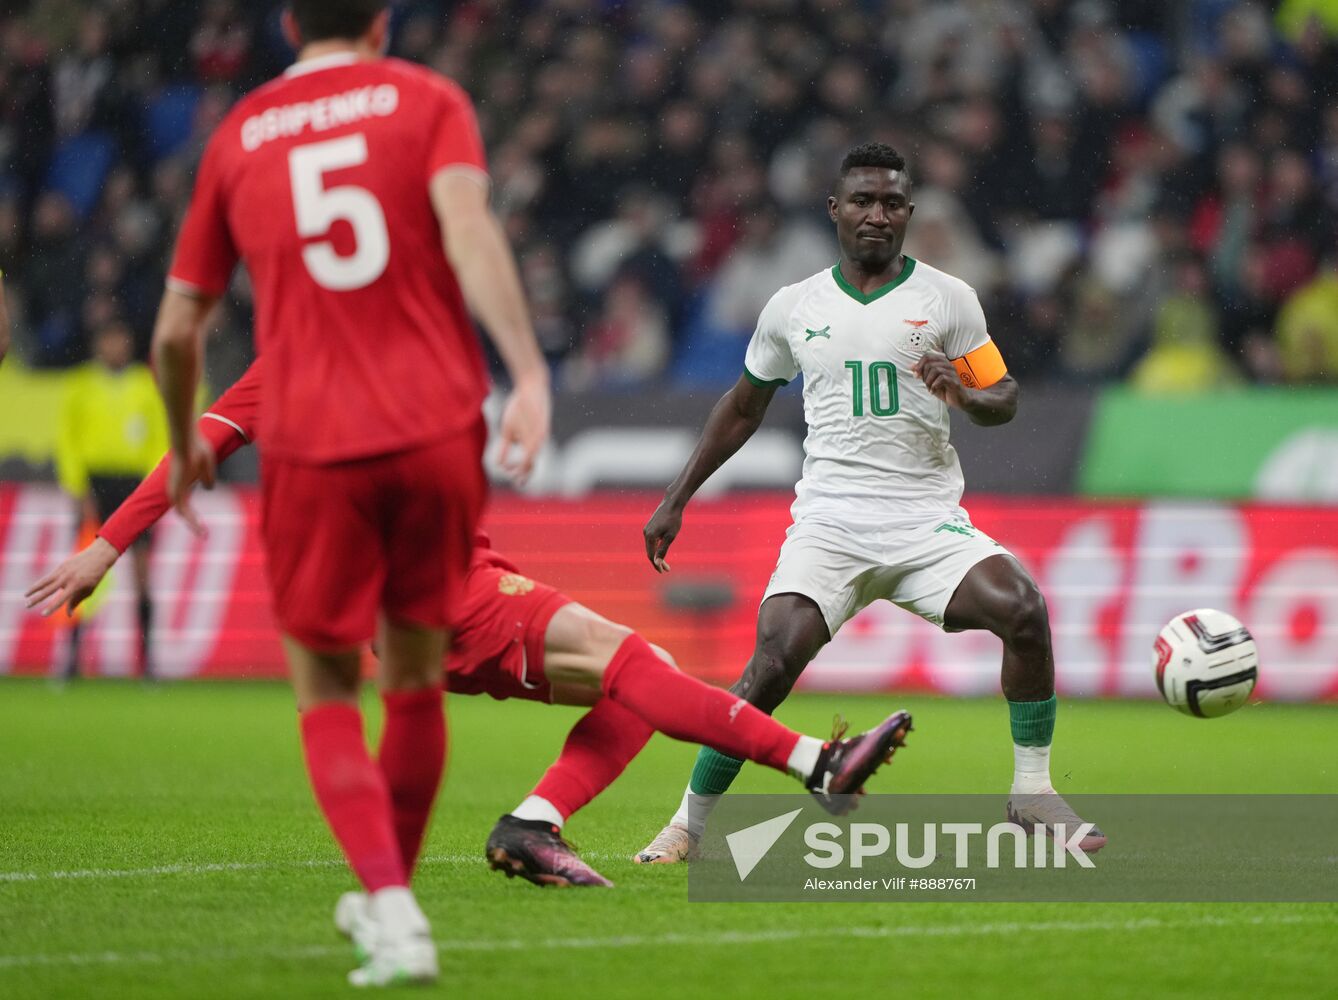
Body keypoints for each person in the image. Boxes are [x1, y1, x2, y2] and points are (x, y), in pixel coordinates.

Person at [25, 359, 914, 910]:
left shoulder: (384, 352)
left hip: (451, 584)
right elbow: (196, 454)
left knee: (642, 683)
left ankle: (534, 822)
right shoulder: (304, 365)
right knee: (637, 665)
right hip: (440, 597)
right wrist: (105, 546)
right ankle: (813, 764)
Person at [147, 2, 551, 985]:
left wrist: (180, 442)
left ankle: (394, 907)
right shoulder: (428, 99)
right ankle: (388, 903)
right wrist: (529, 371)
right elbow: (468, 231)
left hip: (318, 439)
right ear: (380, 21)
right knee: (414, 680)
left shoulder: (239, 133)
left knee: (327, 684)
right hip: (436, 427)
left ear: (288, 25)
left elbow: (174, 331)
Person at [636, 142, 1105, 864]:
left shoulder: (949, 299)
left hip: (927, 524)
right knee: (768, 669)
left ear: (910, 212)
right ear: (835, 210)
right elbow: (742, 407)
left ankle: (1032, 793)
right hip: (830, 524)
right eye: (862, 200)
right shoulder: (794, 307)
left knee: (1023, 608)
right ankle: (687, 828)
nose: (876, 214)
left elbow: (1003, 396)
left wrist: (966, 392)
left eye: (891, 202)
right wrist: (676, 499)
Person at [54, 320, 167, 680]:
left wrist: (151, 488)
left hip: (133, 485)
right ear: (100, 343)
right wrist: (78, 488)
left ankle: (147, 662)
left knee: (143, 573)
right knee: (85, 569)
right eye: (109, 339)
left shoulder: (145, 385)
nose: (115, 346)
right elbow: (68, 442)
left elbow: (158, 441)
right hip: (95, 484)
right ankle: (70, 661)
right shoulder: (82, 385)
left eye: (121, 338)